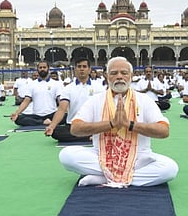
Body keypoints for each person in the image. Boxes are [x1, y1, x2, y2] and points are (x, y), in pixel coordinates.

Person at [58, 56, 179, 187]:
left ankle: (106, 177)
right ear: (107, 76)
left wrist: (130, 124)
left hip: (139, 157)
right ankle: (124, 175)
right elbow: (75, 128)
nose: (119, 77)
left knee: (170, 168)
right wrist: (111, 124)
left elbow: (164, 131)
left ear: (131, 76)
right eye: (114, 73)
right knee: (66, 156)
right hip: (101, 155)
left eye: (124, 73)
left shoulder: (144, 99)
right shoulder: (95, 100)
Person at [44, 58, 106, 143]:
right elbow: (61, 110)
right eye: (79, 66)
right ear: (75, 69)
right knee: (55, 132)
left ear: (89, 70)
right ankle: (91, 136)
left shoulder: (99, 87)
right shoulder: (68, 88)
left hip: (92, 124)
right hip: (73, 126)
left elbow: (104, 108)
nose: (81, 69)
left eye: (84, 66)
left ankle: (91, 134)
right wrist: (52, 126)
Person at [11, 61, 62, 126]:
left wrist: (65, 111)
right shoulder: (32, 84)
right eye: (40, 67)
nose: (42, 69)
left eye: (44, 67)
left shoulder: (56, 84)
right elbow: (26, 101)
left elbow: (60, 100)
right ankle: (43, 122)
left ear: (48, 69)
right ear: (37, 69)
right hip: (36, 115)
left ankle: (48, 121)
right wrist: (16, 113)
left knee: (65, 116)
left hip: (52, 114)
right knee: (18, 119)